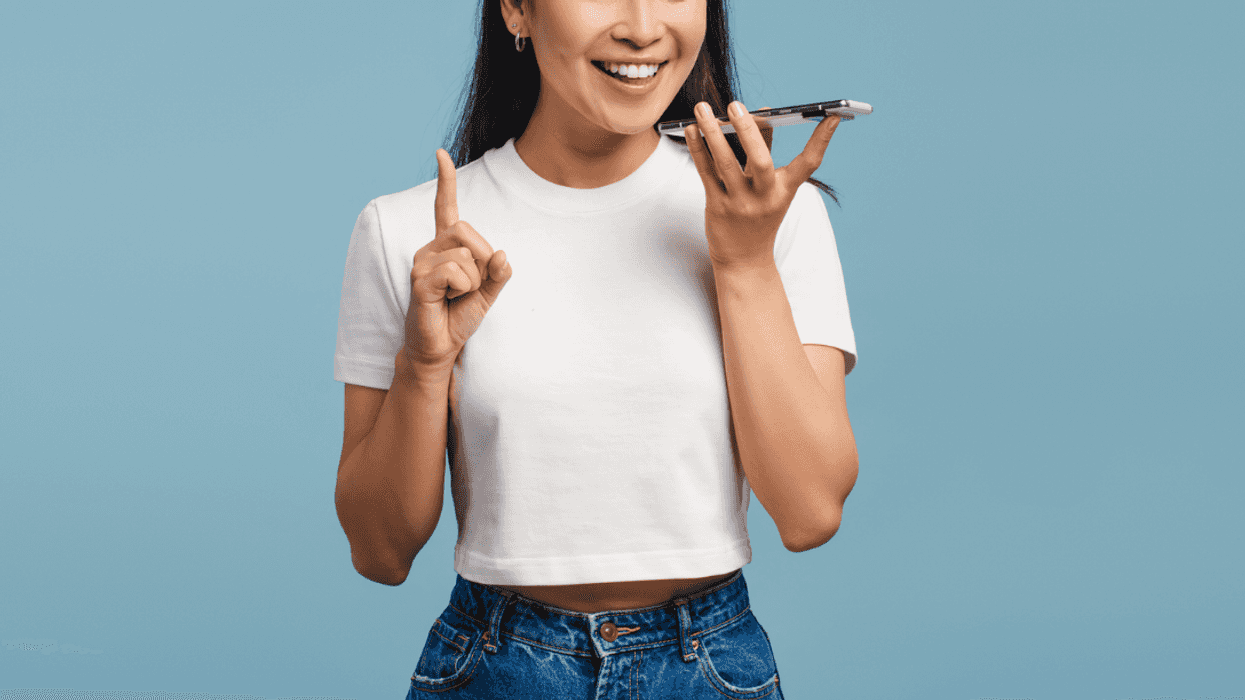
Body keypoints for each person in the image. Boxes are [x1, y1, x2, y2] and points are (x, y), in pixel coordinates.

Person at [333, 0, 860, 696]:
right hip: (495, 669)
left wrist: (745, 263)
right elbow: (379, 551)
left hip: (705, 669)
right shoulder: (407, 231)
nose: (641, 27)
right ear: (516, 10)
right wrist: (423, 366)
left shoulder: (771, 214)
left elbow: (810, 512)